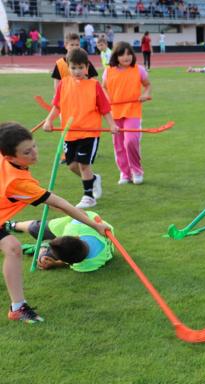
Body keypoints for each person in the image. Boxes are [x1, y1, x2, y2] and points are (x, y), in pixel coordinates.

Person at [0, 122, 110, 323]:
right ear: (9, 157)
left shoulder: (8, 159)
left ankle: (17, 307)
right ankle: (18, 307)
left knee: (13, 247)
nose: (34, 153)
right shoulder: (18, 183)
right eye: (26, 152)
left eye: (34, 146)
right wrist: (95, 225)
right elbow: (61, 205)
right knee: (13, 247)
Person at [43, 48, 119, 208]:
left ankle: (88, 196)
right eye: (73, 68)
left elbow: (105, 108)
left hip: (89, 132)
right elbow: (57, 106)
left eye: (81, 67)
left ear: (87, 67)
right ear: (68, 68)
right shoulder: (63, 84)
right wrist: (49, 121)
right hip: (69, 133)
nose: (77, 71)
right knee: (72, 165)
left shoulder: (94, 85)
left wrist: (112, 124)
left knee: (84, 165)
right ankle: (93, 179)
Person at [102, 42, 151, 185]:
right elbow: (103, 88)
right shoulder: (108, 71)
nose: (126, 57)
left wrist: (145, 94)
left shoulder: (139, 70)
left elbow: (148, 85)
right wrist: (107, 98)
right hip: (114, 113)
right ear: (116, 56)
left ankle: (136, 170)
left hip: (132, 112)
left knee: (131, 141)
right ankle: (125, 173)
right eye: (122, 54)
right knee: (118, 146)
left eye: (129, 53)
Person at [8, 211, 113, 272]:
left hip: (69, 238)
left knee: (43, 259)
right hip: (69, 225)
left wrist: (55, 264)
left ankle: (42, 247)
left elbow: (69, 263)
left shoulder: (86, 266)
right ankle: (14, 225)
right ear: (77, 237)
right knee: (38, 228)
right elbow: (80, 212)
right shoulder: (76, 227)